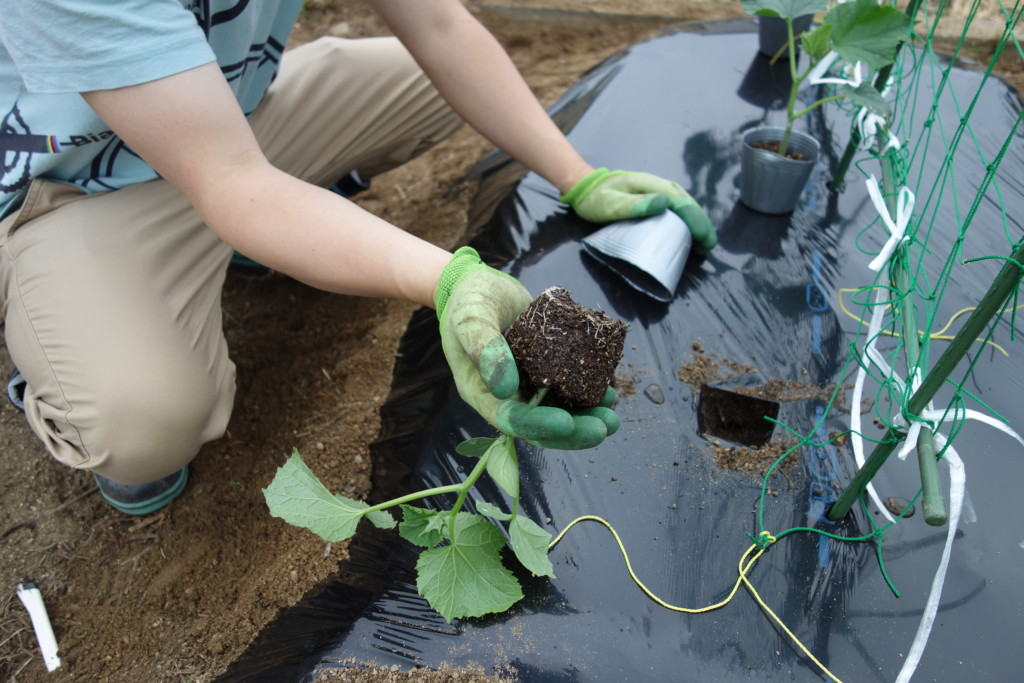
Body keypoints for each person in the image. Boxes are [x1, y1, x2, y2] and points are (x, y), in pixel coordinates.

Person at [0, 1, 716, 516]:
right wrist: (451, 278)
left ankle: (269, 241)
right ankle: (64, 361)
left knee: (429, 81)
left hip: (224, 122)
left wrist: (575, 174)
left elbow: (440, 25)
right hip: (80, 193)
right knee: (143, 423)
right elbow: (232, 185)